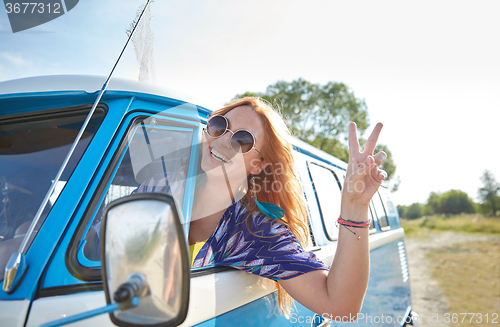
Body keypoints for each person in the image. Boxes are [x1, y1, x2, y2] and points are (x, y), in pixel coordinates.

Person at [136, 97, 387, 320]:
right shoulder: (159, 187)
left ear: (258, 165)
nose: (223, 140)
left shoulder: (255, 232)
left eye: (242, 140)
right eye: (219, 125)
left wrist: (355, 207)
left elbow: (342, 307)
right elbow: (100, 238)